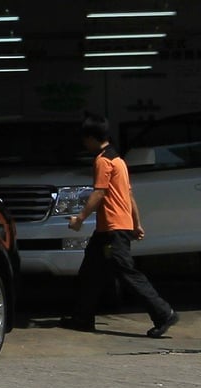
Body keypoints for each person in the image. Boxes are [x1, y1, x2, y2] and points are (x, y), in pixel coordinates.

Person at [61, 112, 179, 338]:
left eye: (85, 140)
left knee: (127, 274)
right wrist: (136, 223)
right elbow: (129, 195)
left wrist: (80, 218)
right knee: (90, 273)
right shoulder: (119, 161)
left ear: (92, 138)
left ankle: (164, 313)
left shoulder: (103, 161)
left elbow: (99, 193)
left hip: (113, 229)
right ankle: (82, 317)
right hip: (112, 228)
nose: (84, 144)